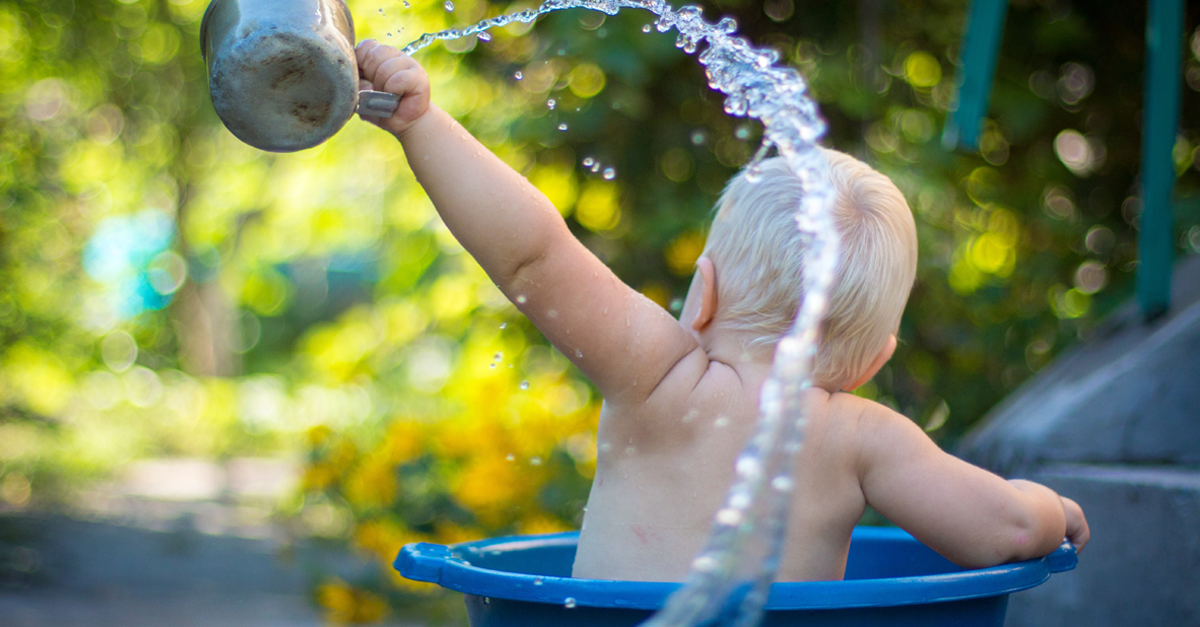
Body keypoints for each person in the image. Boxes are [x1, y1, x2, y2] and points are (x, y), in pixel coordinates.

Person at [354, 40, 1089, 583]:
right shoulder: (864, 439)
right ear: (874, 360)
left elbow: (534, 256)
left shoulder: (658, 378)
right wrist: (1052, 508)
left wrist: (422, 122)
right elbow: (1007, 529)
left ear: (700, 293)